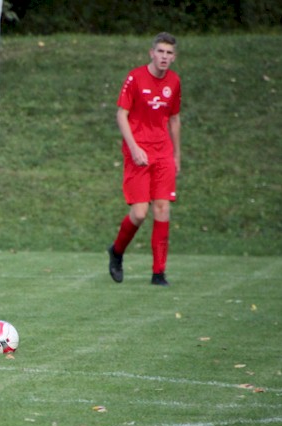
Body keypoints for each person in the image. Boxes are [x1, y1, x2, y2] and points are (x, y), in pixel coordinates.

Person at [107, 32, 181, 287]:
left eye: (169, 53)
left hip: (162, 153)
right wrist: (134, 147)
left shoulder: (174, 81)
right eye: (160, 51)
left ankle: (158, 273)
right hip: (138, 152)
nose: (164, 57)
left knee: (162, 208)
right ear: (152, 53)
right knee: (139, 213)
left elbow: (174, 119)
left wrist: (176, 154)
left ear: (174, 57)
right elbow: (121, 115)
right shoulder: (135, 77)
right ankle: (116, 251)